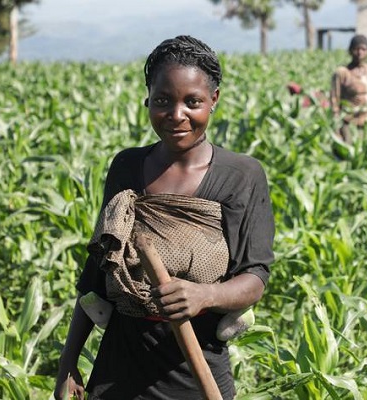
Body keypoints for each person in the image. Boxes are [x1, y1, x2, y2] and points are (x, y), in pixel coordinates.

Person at [54, 35, 275, 400]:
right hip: (118, 370)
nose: (177, 115)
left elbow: (256, 275)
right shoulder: (127, 167)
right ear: (147, 100)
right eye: (162, 101)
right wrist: (68, 360)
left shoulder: (241, 176)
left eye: (193, 102)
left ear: (213, 100)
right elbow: (98, 270)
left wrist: (204, 295)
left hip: (196, 367)